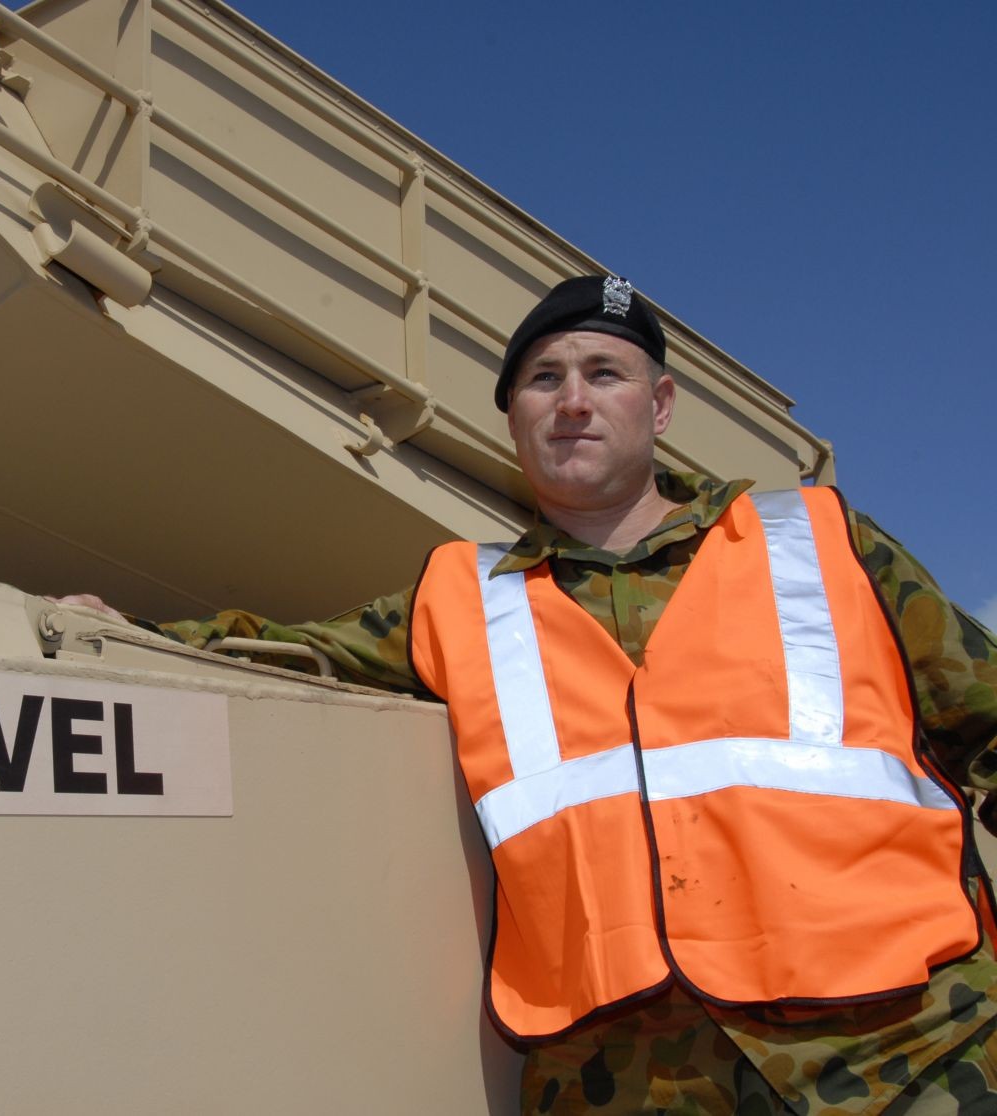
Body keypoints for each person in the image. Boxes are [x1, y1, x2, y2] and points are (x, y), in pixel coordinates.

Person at [67, 274, 997, 1113]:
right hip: (628, 1081)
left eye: (606, 373)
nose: (574, 402)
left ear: (662, 405)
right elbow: (292, 654)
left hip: (906, 1057)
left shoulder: (822, 545)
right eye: (544, 380)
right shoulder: (461, 602)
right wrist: (126, 632)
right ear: (513, 420)